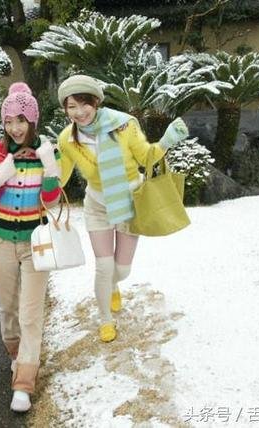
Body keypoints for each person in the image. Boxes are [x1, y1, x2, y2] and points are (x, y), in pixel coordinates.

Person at [56, 74, 188, 343]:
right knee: (103, 267)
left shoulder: (124, 125)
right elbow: (60, 177)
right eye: (71, 106)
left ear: (96, 101)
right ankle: (106, 319)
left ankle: (114, 285)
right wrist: (42, 169)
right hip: (97, 206)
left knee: (122, 270)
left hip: (129, 202)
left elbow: (146, 157)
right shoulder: (67, 139)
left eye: (84, 103)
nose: (79, 112)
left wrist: (166, 141)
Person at [0, 82, 61, 412]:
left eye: (21, 120)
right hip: (0, 243)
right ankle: (16, 353)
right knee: (8, 310)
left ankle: (24, 382)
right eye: (9, 121)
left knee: (30, 314)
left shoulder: (48, 151)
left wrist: (49, 166)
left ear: (32, 121)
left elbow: (52, 200)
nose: (15, 128)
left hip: (36, 244)